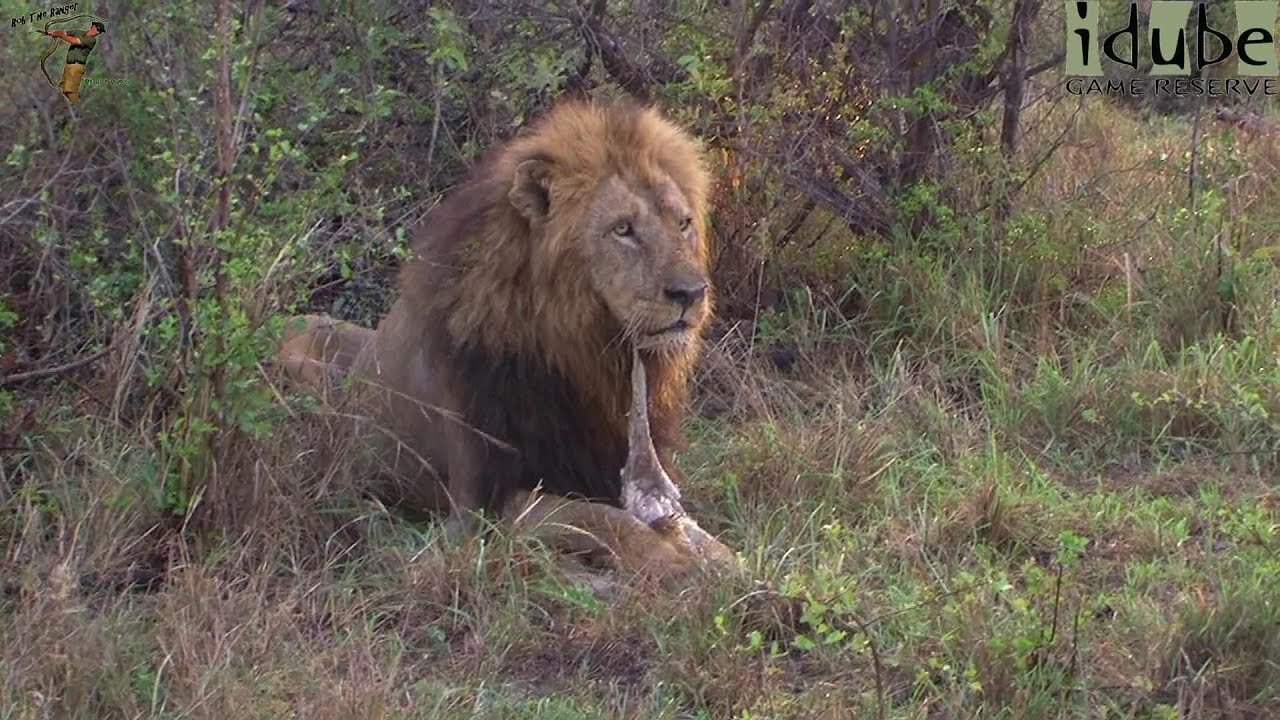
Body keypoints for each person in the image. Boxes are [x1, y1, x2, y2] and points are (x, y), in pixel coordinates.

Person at [40, 21, 105, 102]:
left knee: (71, 93)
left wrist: (58, 35)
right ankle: (73, 108)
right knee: (64, 90)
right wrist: (53, 32)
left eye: (100, 31)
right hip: (69, 66)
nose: (98, 32)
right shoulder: (79, 32)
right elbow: (65, 33)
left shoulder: (92, 40)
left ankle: (78, 109)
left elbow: (75, 41)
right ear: (93, 26)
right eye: (98, 29)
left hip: (77, 67)